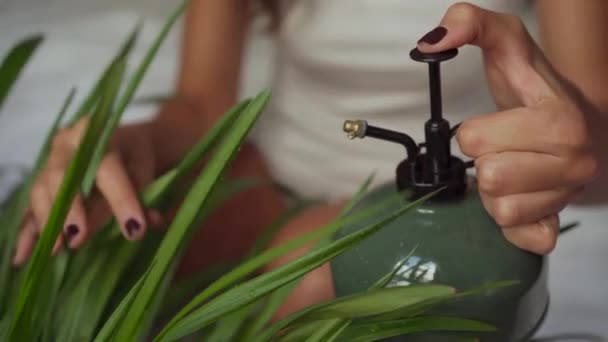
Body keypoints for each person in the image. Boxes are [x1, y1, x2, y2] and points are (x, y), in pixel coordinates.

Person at [11, 0, 606, 318]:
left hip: (434, 212)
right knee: (97, 255)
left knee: (315, 282)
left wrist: (565, 144)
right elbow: (201, 104)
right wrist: (130, 141)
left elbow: (592, 132)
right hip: (269, 179)